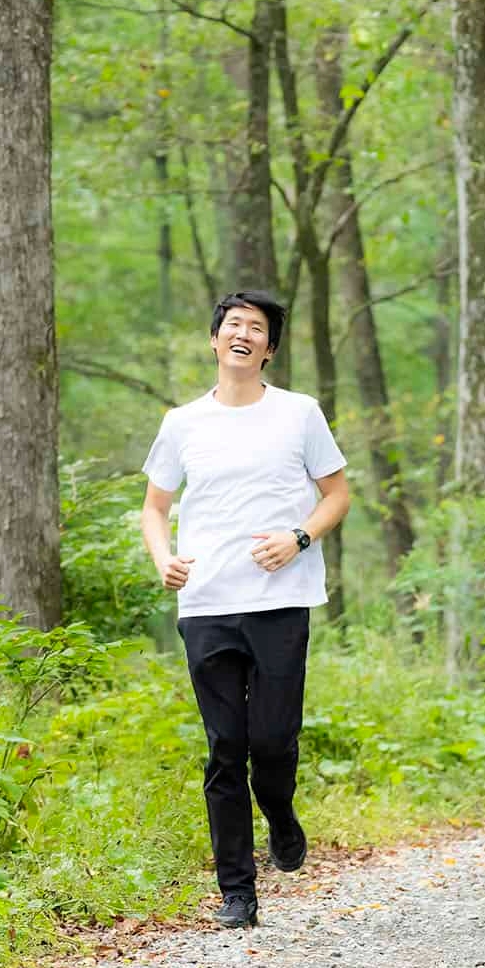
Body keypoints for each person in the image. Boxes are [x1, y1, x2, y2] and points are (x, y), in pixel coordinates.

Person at [139, 291, 352, 929]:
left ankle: (280, 814)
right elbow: (155, 507)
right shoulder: (182, 423)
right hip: (205, 602)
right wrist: (162, 559)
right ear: (214, 340)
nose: (243, 334)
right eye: (233, 324)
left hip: (281, 601)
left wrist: (300, 537)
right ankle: (238, 891)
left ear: (269, 349)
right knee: (225, 745)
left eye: (256, 328)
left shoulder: (299, 413)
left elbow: (337, 495)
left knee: (272, 741)